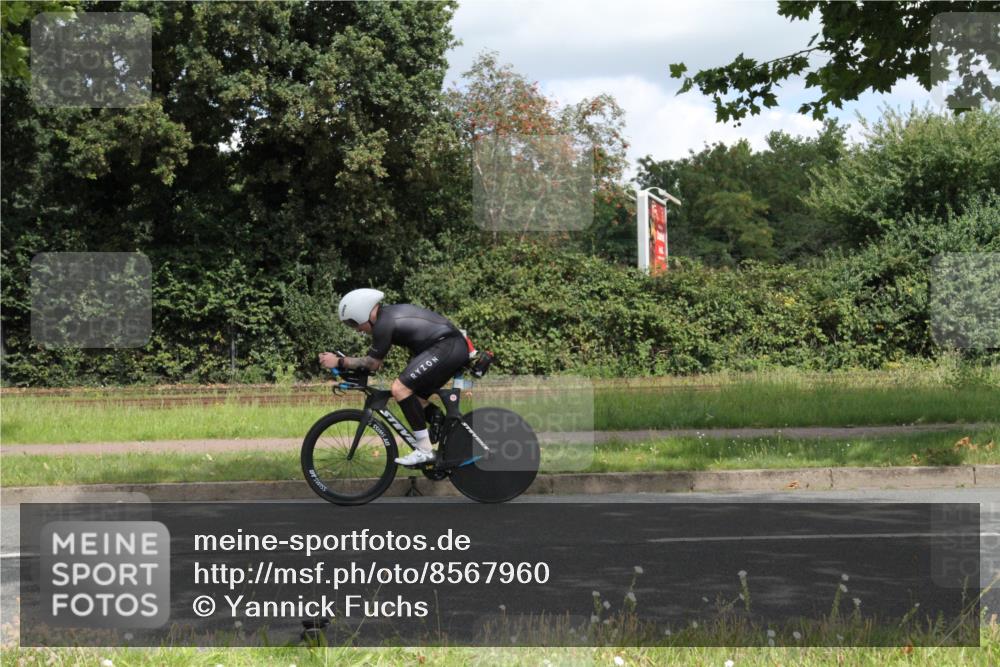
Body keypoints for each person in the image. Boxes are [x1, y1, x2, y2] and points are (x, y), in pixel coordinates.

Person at [318, 288, 471, 466]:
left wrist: (339, 361)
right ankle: (438, 421)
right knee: (415, 398)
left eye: (353, 323)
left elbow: (372, 363)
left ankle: (424, 451)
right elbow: (374, 363)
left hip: (447, 346)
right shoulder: (386, 317)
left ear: (361, 312)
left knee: (400, 389)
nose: (357, 329)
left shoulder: (384, 322)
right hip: (449, 347)